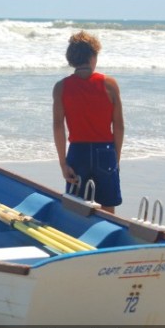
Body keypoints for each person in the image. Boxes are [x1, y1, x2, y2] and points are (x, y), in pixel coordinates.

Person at [53, 31, 124, 214]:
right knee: (108, 209)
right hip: (105, 151)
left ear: (71, 58)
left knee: (77, 208)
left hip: (78, 152)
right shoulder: (109, 84)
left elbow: (58, 126)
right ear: (93, 56)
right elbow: (118, 125)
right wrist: (116, 156)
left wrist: (63, 163)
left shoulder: (61, 87)